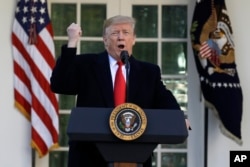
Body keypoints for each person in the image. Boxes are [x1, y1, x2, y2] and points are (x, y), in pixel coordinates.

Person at [50, 15, 190, 167]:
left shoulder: (149, 72)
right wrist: (72, 42)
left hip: (135, 154)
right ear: (105, 40)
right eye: (115, 33)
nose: (120, 37)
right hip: (90, 156)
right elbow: (60, 84)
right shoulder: (87, 64)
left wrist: (179, 119)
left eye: (126, 32)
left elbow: (165, 100)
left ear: (134, 39)